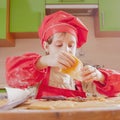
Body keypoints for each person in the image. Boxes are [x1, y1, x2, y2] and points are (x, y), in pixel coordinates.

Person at [6, 11, 120, 99]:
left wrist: (100, 76)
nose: (66, 50)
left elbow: (117, 87)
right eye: (59, 44)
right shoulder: (38, 72)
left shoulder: (81, 76)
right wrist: (43, 61)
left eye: (71, 45)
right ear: (46, 47)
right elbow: (12, 75)